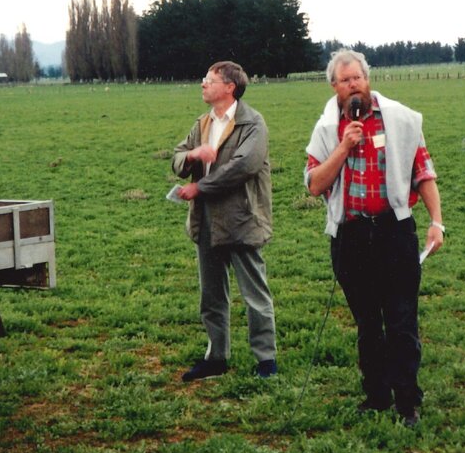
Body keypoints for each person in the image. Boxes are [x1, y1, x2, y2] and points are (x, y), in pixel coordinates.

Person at [304, 50, 444, 426]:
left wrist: (436, 222)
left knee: (401, 321)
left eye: (358, 78)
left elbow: (423, 172)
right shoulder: (326, 128)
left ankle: (407, 400)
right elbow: (315, 185)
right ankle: (377, 394)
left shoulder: (400, 120)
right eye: (345, 80)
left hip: (393, 232)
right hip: (350, 236)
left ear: (368, 79)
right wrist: (343, 147)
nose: (354, 86)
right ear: (334, 86)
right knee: (368, 324)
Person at [172, 61, 278, 381]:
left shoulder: (253, 124)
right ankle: (216, 357)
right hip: (206, 221)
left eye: (210, 79)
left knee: (255, 295)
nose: (203, 84)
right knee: (212, 295)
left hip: (242, 219)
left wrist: (199, 187)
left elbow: (244, 166)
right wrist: (192, 156)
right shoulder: (202, 123)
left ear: (230, 87)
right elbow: (177, 156)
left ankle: (266, 361)